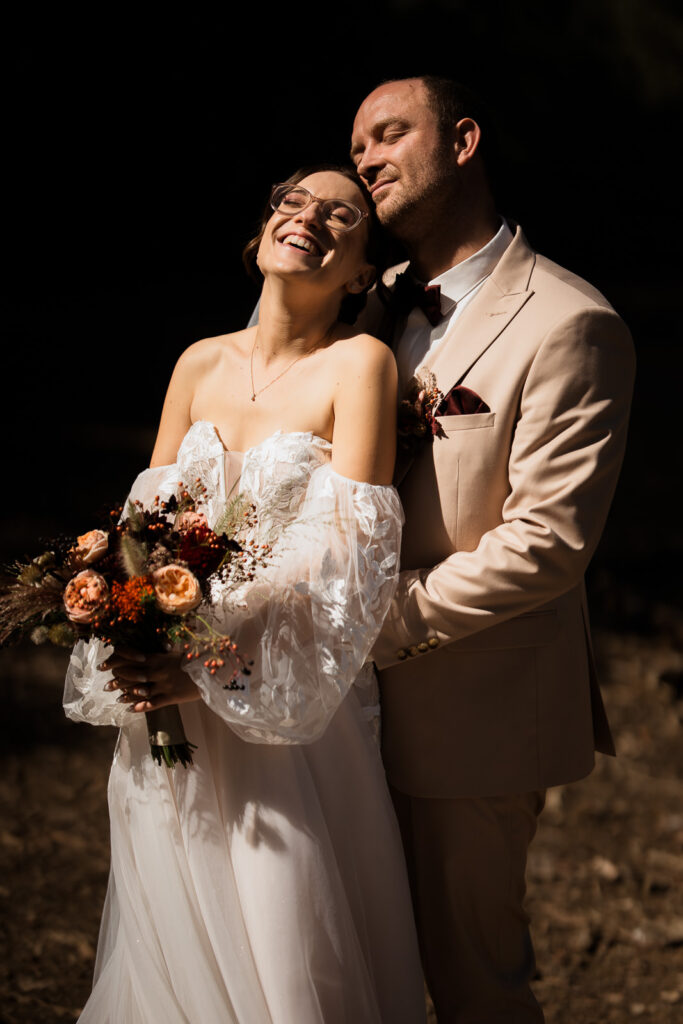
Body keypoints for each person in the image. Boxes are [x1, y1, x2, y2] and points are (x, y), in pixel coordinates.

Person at [63, 166, 427, 1023]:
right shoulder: (198, 360)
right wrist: (134, 633)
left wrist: (214, 670)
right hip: (169, 699)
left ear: (360, 272)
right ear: (261, 233)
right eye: (293, 202)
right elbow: (140, 528)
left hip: (287, 705)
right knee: (170, 926)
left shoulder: (359, 364)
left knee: (284, 931)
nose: (309, 217)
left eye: (341, 215)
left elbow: (348, 553)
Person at [349, 76, 636, 1023]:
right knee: (342, 962)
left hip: (469, 712)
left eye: (390, 134)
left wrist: (369, 625)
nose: (367, 159)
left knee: (472, 979)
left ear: (464, 140)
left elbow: (545, 544)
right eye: (357, 148)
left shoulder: (569, 322)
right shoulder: (367, 308)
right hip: (332, 711)